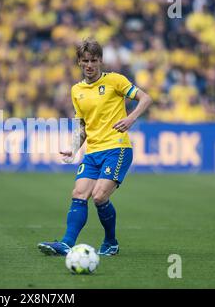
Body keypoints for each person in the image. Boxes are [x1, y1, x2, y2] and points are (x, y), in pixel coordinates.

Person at [38, 39, 153, 256]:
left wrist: (131, 118)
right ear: (79, 63)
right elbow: (82, 125)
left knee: (99, 196)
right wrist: (73, 148)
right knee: (79, 193)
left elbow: (146, 98)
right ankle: (66, 244)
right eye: (85, 61)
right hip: (92, 152)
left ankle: (111, 242)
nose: (89, 65)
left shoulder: (115, 81)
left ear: (100, 61)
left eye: (93, 60)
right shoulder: (76, 90)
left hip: (117, 149)